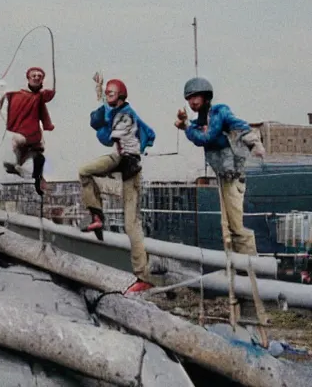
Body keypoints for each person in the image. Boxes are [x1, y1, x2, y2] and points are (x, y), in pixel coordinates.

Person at [78, 72, 156, 294]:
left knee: (131, 224)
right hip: (125, 161)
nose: (107, 95)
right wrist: (101, 99)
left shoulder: (125, 116)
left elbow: (104, 137)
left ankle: (142, 276)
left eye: (111, 93)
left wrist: (101, 118)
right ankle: (97, 215)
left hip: (125, 160)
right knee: (87, 174)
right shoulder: (121, 111)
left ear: (120, 96)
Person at [175, 77, 266, 256]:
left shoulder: (218, 112)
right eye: (189, 98)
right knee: (226, 227)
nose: (192, 102)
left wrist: (186, 127)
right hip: (223, 176)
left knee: (236, 226)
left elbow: (205, 138)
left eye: (196, 97)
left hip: (233, 176)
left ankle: (251, 266)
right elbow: (196, 132)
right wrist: (186, 124)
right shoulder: (202, 120)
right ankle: (234, 266)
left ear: (206, 97)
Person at [0, 67, 55, 196]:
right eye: (33, 75)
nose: (36, 77)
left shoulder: (40, 96)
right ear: (28, 78)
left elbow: (51, 93)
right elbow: (1, 104)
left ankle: (37, 181)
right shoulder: (15, 93)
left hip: (32, 138)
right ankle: (16, 169)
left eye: (40, 76)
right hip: (17, 135)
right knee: (10, 161)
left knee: (37, 160)